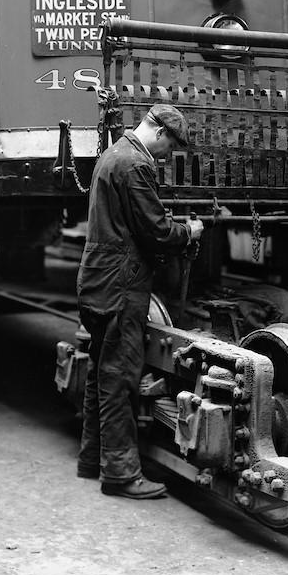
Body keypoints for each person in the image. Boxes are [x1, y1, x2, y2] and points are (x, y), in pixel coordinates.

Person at [76, 103, 204, 500]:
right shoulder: (135, 165)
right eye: (172, 146)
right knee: (121, 379)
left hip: (98, 281)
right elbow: (155, 231)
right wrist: (189, 232)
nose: (168, 155)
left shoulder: (111, 155)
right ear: (161, 132)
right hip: (121, 286)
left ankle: (93, 457)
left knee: (102, 372)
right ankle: (120, 475)